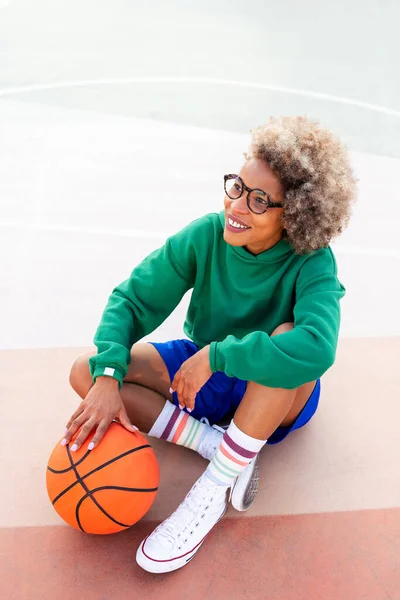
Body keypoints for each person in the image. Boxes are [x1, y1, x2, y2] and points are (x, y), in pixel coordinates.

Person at [66, 116, 357, 573]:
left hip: (274, 395)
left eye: (261, 200)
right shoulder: (205, 234)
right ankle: (214, 445)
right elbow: (133, 299)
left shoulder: (313, 263)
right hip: (202, 375)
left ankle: (212, 489)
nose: (238, 205)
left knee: (285, 343)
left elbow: (317, 349)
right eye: (237, 187)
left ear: (296, 214)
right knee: (87, 370)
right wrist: (107, 376)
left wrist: (219, 355)